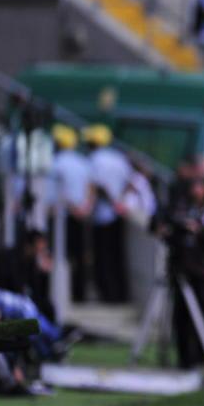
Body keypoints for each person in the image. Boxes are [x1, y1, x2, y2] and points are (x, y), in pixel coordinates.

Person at [154, 177, 204, 370]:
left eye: (199, 187)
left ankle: (202, 357)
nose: (195, 192)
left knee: (202, 315)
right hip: (182, 269)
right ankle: (184, 358)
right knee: (181, 317)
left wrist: (200, 231)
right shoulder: (179, 209)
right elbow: (158, 223)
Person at [84, 124, 132, 304]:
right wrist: (121, 201)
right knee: (117, 255)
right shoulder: (119, 158)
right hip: (119, 214)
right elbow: (129, 183)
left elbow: (98, 186)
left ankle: (108, 294)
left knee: (102, 257)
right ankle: (120, 293)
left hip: (102, 215)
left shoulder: (95, 159)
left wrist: (112, 201)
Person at [49, 124, 93, 304]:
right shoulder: (83, 162)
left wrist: (72, 208)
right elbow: (91, 187)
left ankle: (59, 296)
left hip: (63, 216)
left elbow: (56, 192)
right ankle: (80, 294)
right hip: (81, 214)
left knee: (60, 256)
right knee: (80, 256)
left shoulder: (55, 163)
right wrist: (85, 208)